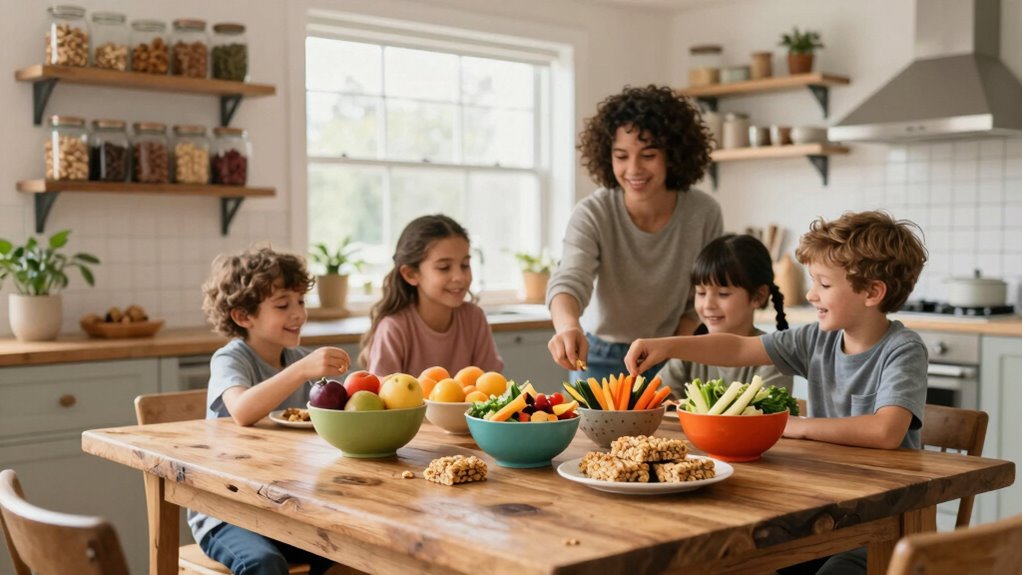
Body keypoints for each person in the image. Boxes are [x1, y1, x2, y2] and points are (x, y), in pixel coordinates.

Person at [625, 210, 929, 575]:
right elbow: (739, 348)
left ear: (872, 292)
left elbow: (885, 431)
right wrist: (666, 345)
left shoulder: (903, 348)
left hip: (884, 527)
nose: (810, 294)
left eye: (824, 284)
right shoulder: (816, 339)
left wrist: (794, 425)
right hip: (831, 514)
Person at [546, 84, 723, 383]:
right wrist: (567, 327)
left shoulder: (703, 212)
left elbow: (701, 295)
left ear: (673, 155)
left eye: (648, 155)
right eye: (621, 156)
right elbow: (570, 279)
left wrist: (674, 350)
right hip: (600, 357)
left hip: (673, 350)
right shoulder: (593, 212)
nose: (633, 169)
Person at [195, 245, 343, 575]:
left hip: (282, 505)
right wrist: (302, 370)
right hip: (225, 510)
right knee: (263, 563)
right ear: (243, 316)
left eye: (301, 301)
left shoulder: (297, 359)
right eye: (282, 305)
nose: (298, 314)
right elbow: (242, 410)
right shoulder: (231, 358)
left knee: (349, 547)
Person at [359, 214, 503, 376]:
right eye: (444, 267)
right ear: (411, 274)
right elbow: (382, 390)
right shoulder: (394, 328)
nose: (460, 277)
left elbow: (491, 383)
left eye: (465, 265)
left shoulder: (474, 318)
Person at [657, 234, 793, 398]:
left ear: (758, 296)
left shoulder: (772, 356)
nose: (708, 305)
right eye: (701, 293)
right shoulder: (688, 353)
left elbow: (769, 410)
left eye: (723, 294)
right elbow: (659, 398)